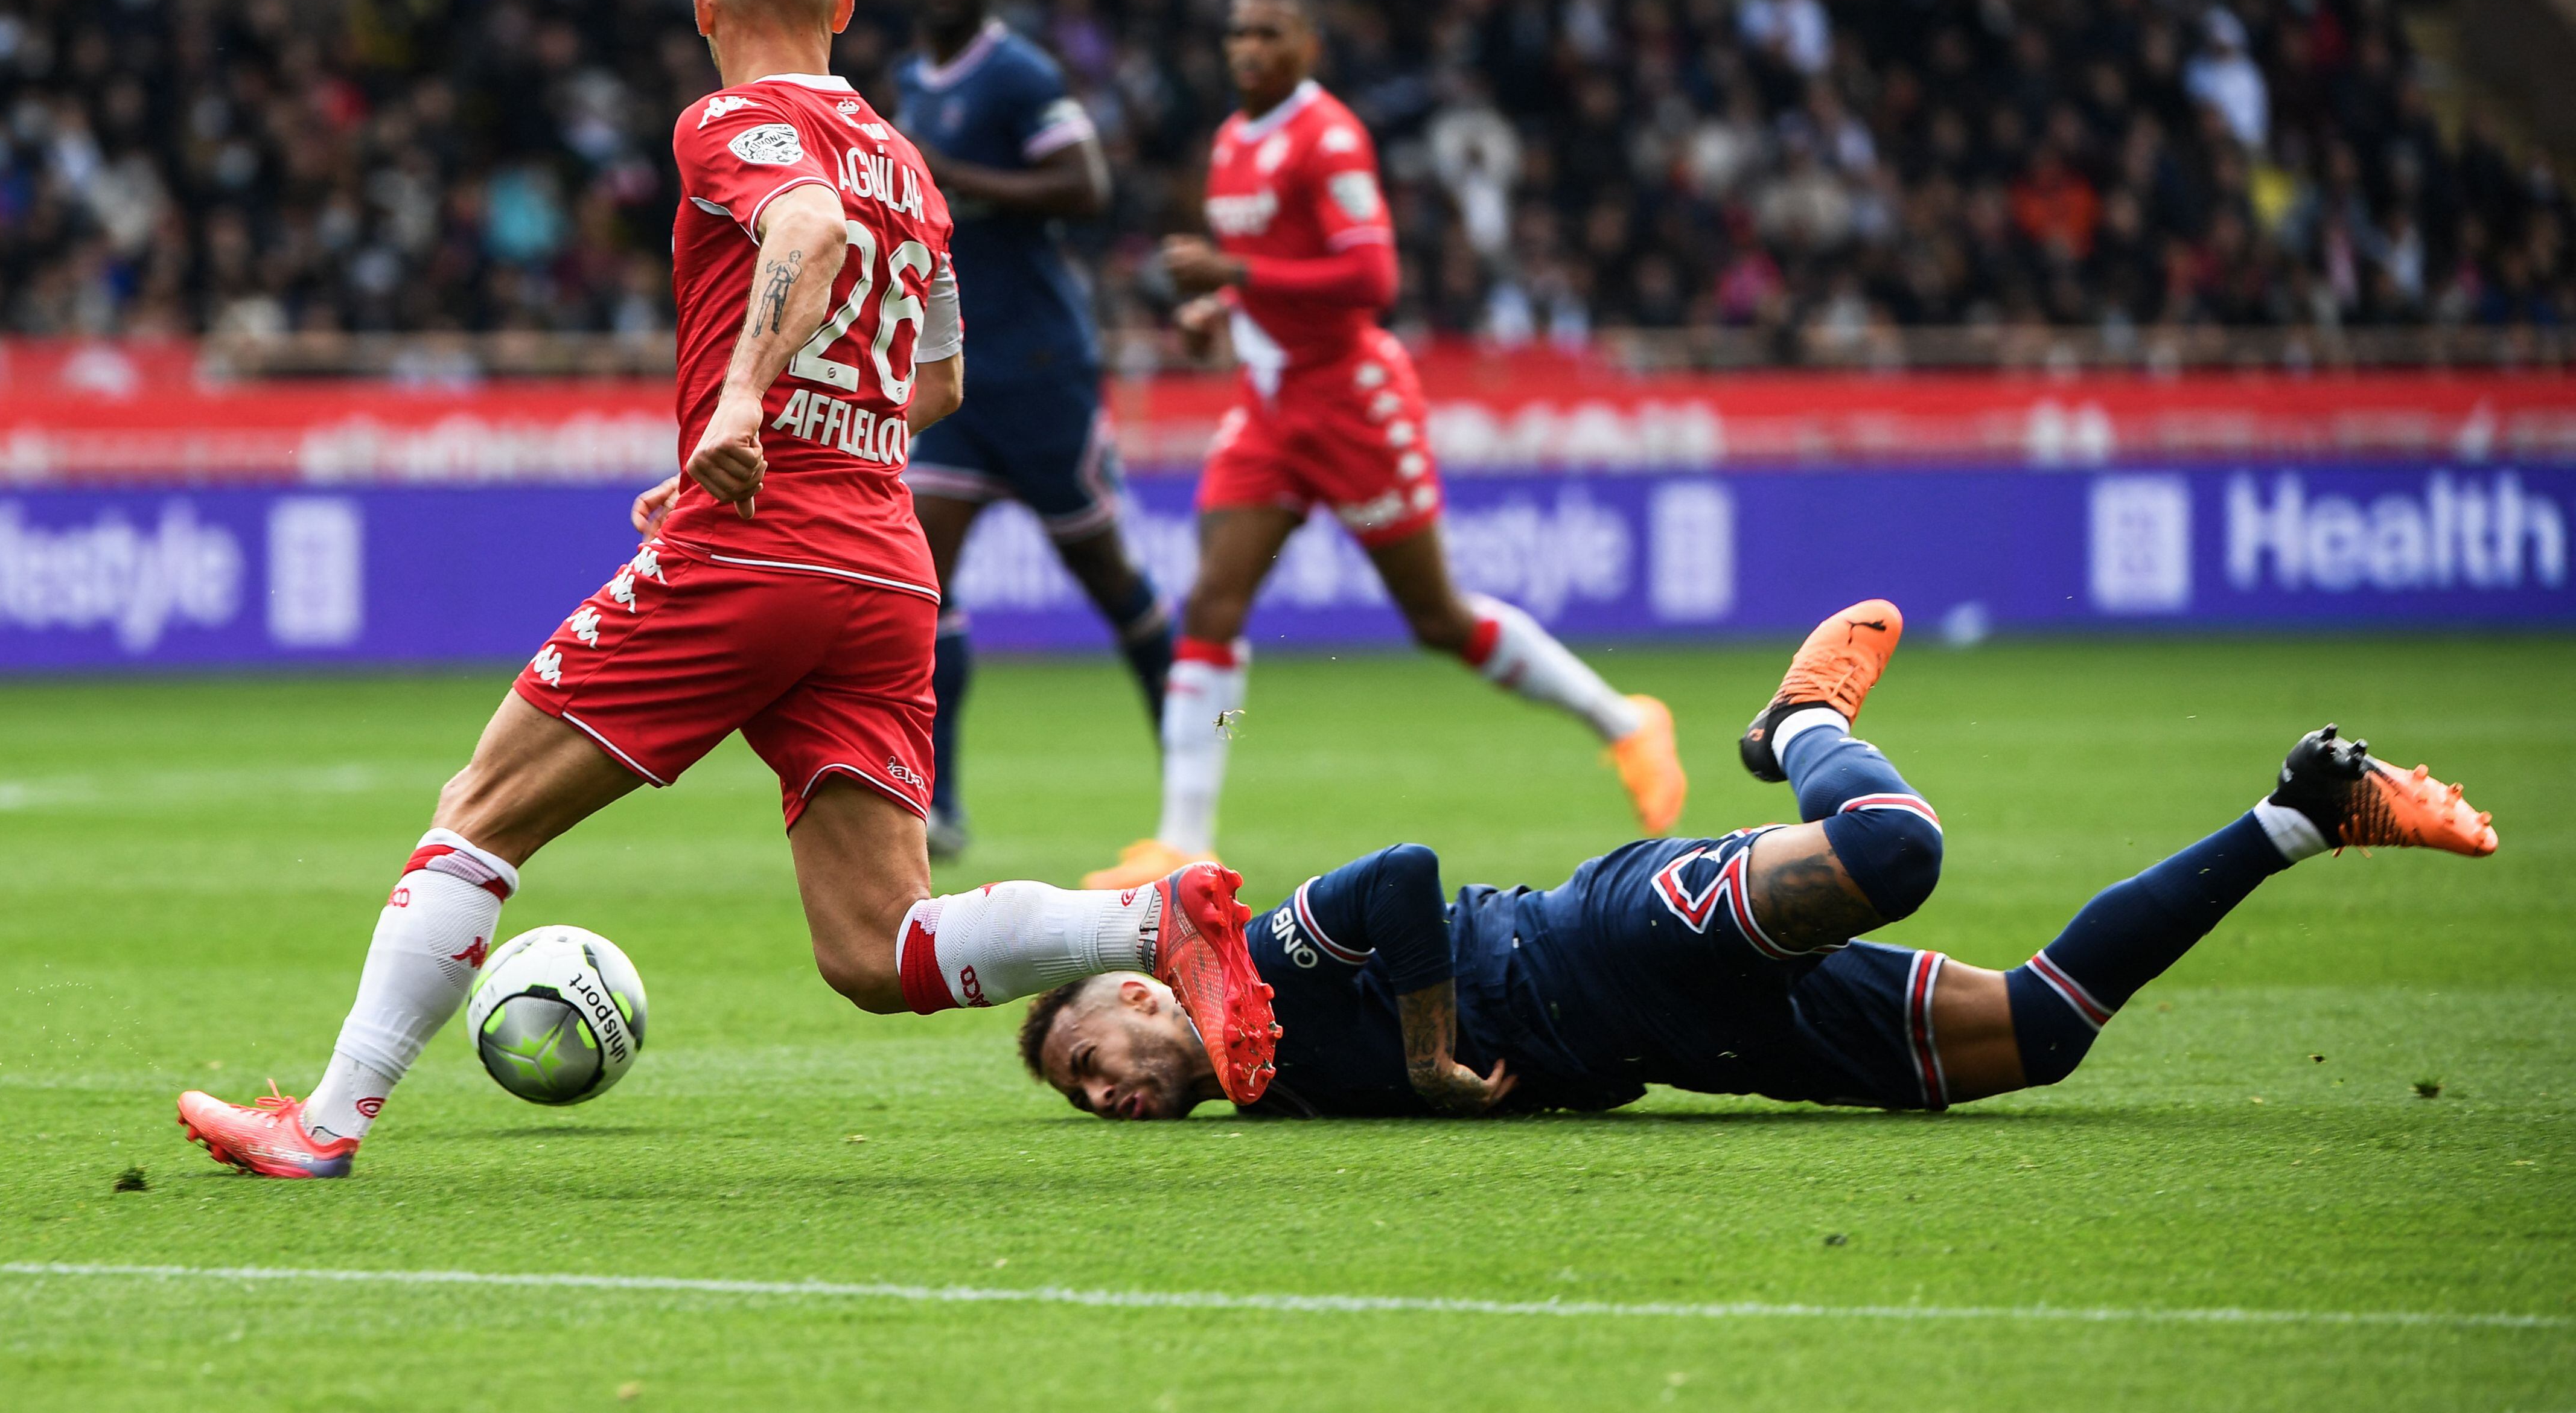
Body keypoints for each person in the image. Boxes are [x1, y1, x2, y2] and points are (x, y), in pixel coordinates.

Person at [176, 0, 1277, 1178]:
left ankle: (325, 1124)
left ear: (705, 10)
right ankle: (1159, 920)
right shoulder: (911, 166)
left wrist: (747, 406)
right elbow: (941, 381)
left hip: (755, 550)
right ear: (845, 7)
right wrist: (797, 433)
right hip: (881, 560)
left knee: (478, 813)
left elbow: (801, 225)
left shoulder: (728, 119)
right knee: (876, 947)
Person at [1022, 599, 2496, 1121]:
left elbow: (1403, 873)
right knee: (2039, 1036)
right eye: (1084, 1100)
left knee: (1895, 848)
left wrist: (1421, 1060)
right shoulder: (1257, 1095)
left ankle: (1798, 715)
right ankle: (2307, 810)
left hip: (1607, 944)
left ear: (1149, 1001)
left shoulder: (1259, 967)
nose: (1102, 1095)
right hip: (1685, 1040)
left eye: (1090, 1058)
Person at [1081, 0, 1686, 891]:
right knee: (1212, 603)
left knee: (1437, 617)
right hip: (1272, 400)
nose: (1248, 48)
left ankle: (1626, 722)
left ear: (1308, 48)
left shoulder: (1327, 138)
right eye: (1238, 32)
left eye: (1270, 34)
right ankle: (1182, 839)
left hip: (1354, 402)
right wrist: (1221, 310)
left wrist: (1233, 271)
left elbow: (1370, 280)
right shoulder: (1229, 143)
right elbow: (1276, 273)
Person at [891, 0, 1172, 863]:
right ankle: (942, 804)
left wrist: (956, 174)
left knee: (1110, 584)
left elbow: (1086, 186)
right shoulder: (907, 85)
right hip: (956, 378)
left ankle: (1190, 788)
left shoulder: (1019, 75)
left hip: (1044, 371)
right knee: (921, 583)